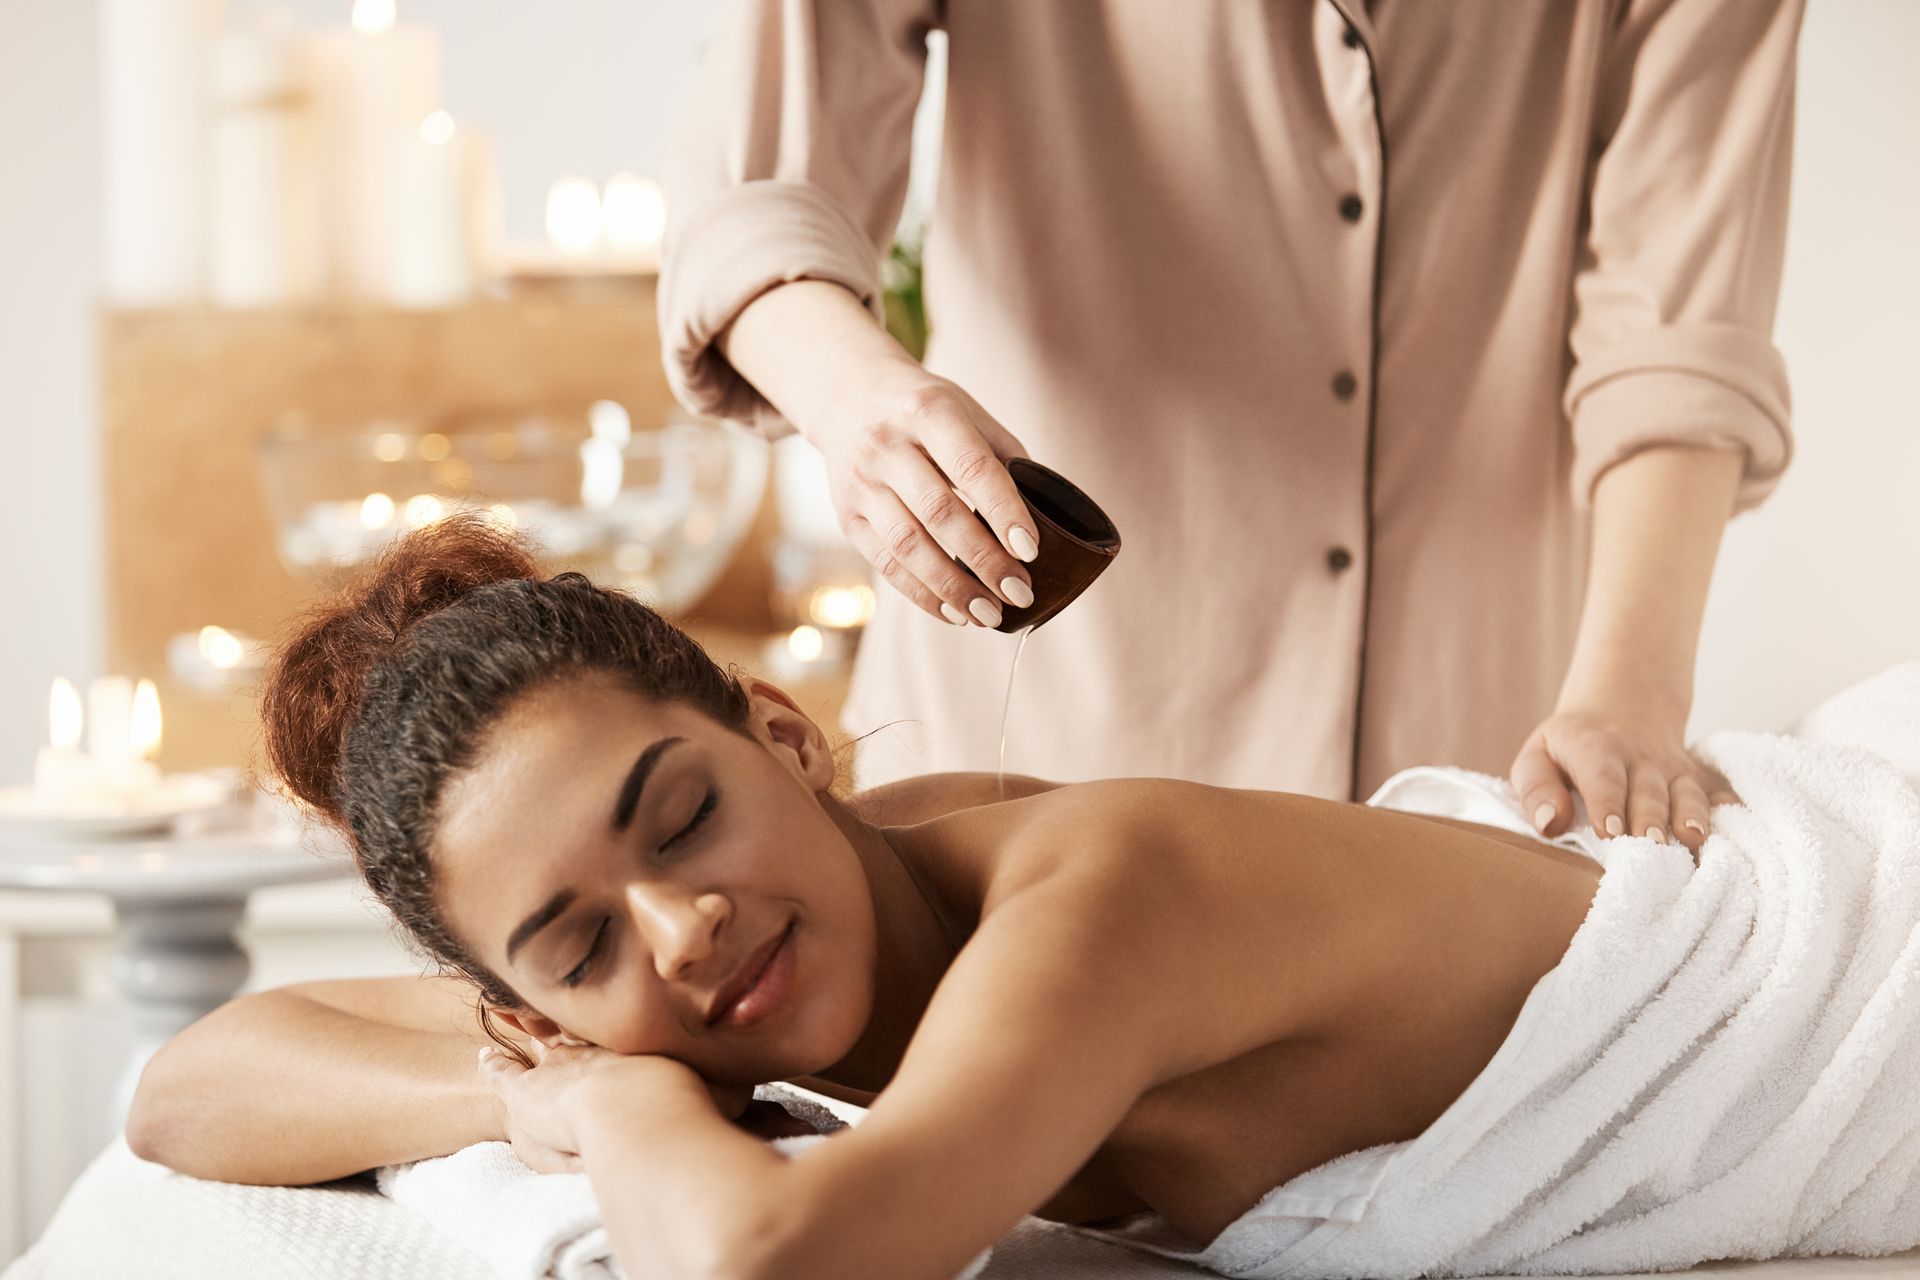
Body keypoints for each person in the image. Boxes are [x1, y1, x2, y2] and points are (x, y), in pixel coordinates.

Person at [124, 520, 1920, 1278]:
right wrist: (519, 1077)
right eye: (580, 942)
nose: (681, 926)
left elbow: (780, 1256)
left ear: (783, 733)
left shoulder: (1098, 900)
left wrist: (601, 1093)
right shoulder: (738, 972)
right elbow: (190, 1085)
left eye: (680, 818)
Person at [658, 0, 1803, 852]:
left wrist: (1627, 703)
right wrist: (860, 401)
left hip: (1479, 780)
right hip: (1028, 759)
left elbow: (1679, 319)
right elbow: (754, 201)